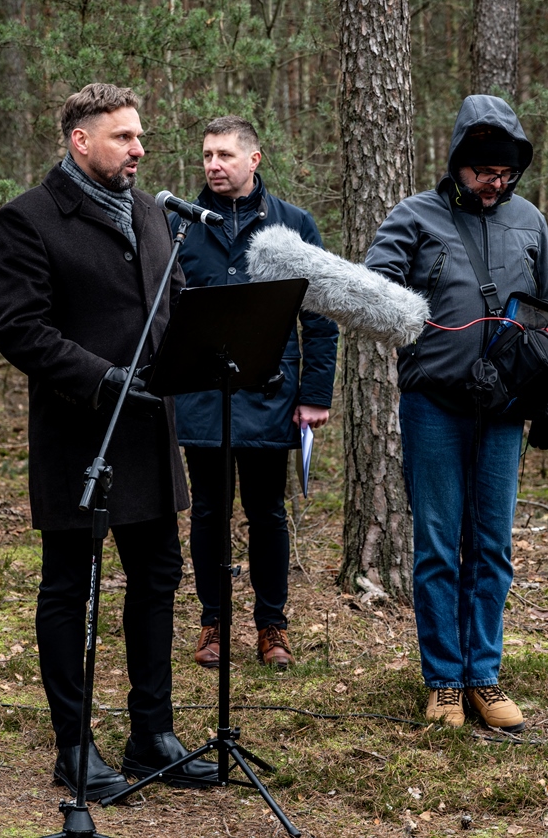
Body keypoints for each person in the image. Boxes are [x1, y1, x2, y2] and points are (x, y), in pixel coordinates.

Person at [0, 83, 218, 801]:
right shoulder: (28, 219)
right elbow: (20, 329)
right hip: (80, 435)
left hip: (151, 432)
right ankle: (73, 746)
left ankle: (151, 735)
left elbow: (173, 298)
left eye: (139, 136)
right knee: (69, 590)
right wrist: (103, 379)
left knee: (156, 583)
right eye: (123, 137)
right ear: (80, 141)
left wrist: (197, 355)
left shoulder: (151, 213)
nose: (139, 149)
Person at [365, 94, 548, 731]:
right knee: (439, 547)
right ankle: (443, 680)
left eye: (506, 174)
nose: (496, 184)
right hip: (434, 405)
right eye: (484, 172)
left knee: (493, 546)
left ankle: (483, 675)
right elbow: (376, 293)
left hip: (505, 410)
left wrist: (527, 368)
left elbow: (546, 309)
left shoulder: (530, 220)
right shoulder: (413, 216)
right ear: (458, 163)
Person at [172, 115, 338, 670]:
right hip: (200, 393)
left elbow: (319, 316)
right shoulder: (181, 226)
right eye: (206, 155)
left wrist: (315, 394)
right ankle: (213, 623)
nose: (213, 165)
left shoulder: (293, 225)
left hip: (271, 396)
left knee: (266, 512)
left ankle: (272, 626)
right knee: (208, 512)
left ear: (254, 159)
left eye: (224, 154)